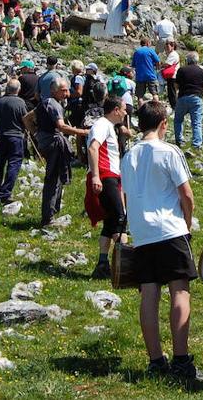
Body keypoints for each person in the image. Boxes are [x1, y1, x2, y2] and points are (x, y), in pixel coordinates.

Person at [118, 100, 198, 379]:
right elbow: (186, 194)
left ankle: (155, 359)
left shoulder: (128, 156)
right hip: (171, 229)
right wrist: (187, 223)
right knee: (180, 290)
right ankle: (181, 358)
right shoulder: (169, 151)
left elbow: (125, 193)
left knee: (149, 293)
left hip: (143, 233)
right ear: (164, 124)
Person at [36, 78, 89, 227]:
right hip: (54, 144)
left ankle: (54, 210)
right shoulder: (54, 105)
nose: (67, 93)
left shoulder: (45, 102)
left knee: (56, 177)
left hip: (46, 142)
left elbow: (28, 119)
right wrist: (83, 132)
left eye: (67, 90)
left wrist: (38, 136)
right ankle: (48, 218)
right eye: (63, 90)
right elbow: (61, 126)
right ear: (54, 91)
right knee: (53, 179)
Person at [88, 97, 130, 279]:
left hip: (110, 176)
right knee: (120, 220)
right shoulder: (102, 125)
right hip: (106, 176)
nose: (126, 112)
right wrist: (96, 176)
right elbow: (93, 148)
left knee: (110, 222)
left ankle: (103, 264)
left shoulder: (107, 126)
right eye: (123, 109)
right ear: (115, 110)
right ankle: (125, 266)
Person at [0, 79, 29, 205]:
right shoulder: (20, 102)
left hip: (1, 136)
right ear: (18, 89)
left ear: (7, 89)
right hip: (16, 137)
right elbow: (25, 119)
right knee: (14, 164)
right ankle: (5, 193)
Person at [173, 52, 203, 149]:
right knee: (196, 122)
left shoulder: (181, 70)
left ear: (187, 60)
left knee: (178, 120)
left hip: (183, 97)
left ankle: (180, 140)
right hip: (196, 98)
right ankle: (196, 144)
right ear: (197, 60)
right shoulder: (201, 71)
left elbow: (176, 86)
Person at [162, 40, 181, 111]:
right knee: (171, 92)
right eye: (166, 45)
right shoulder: (172, 54)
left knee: (172, 93)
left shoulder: (173, 54)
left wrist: (161, 64)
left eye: (168, 46)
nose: (166, 47)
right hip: (172, 75)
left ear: (173, 46)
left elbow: (168, 64)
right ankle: (175, 107)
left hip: (173, 76)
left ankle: (175, 108)